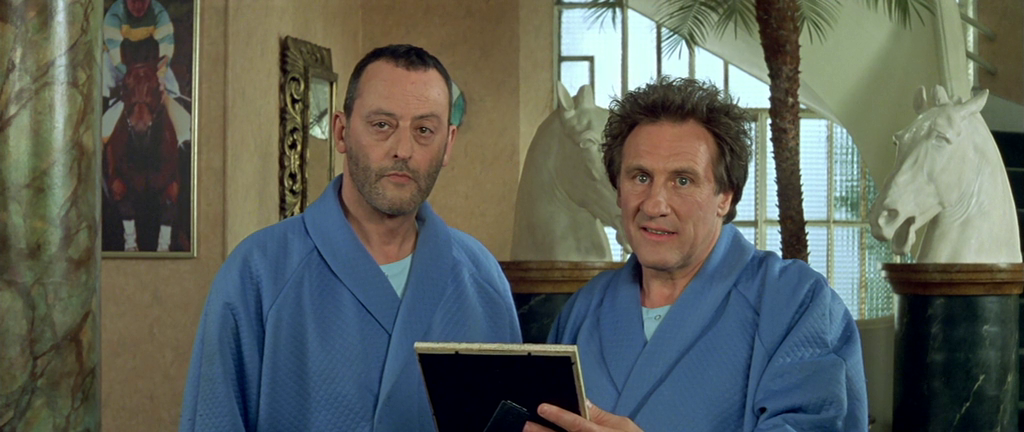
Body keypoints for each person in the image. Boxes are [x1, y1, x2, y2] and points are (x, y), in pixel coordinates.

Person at [179, 44, 522, 431]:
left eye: (424, 130)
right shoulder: (258, 272)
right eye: (382, 125)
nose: (403, 150)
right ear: (342, 132)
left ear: (448, 144)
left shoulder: (482, 279)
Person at [527, 77, 868, 431]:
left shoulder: (797, 303)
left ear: (726, 197)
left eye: (682, 181)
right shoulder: (584, 311)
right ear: (617, 188)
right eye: (640, 177)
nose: (654, 205)